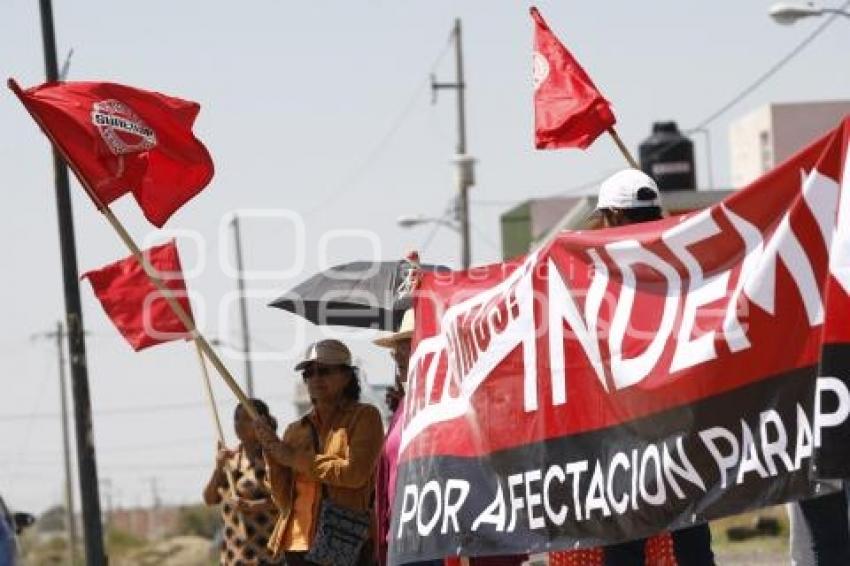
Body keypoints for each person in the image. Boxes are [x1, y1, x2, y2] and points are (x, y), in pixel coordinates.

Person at [594, 169, 715, 566]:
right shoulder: (691, 268)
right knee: (692, 546)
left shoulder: (591, 276)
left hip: (625, 443)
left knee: (626, 552)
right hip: (686, 436)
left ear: (612, 216)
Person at [253, 339, 384, 565]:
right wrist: (272, 454)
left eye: (323, 371)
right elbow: (283, 499)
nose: (315, 379)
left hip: (344, 539)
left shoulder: (365, 417)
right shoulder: (295, 430)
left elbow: (355, 473)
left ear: (346, 376)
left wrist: (293, 458)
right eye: (309, 373)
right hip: (296, 542)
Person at [373, 309, 444, 566]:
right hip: (403, 537)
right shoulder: (404, 406)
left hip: (438, 537)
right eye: (398, 348)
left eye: (409, 345)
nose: (399, 354)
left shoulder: (449, 402)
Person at [203, 398, 283, 566]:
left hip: (268, 555)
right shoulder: (229, 461)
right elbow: (210, 499)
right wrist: (218, 468)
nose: (239, 424)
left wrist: (253, 506)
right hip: (235, 556)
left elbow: (290, 500)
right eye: (237, 418)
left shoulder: (275, 458)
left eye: (246, 419)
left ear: (262, 422)